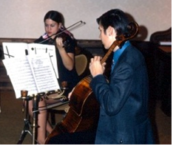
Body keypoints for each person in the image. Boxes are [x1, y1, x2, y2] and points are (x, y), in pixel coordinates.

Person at [88, 9, 155, 144]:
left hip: (124, 134)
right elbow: (120, 88)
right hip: (128, 125)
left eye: (100, 30)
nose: (99, 36)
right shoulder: (126, 53)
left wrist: (97, 77)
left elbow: (112, 104)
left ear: (111, 31)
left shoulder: (127, 63)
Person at [31, 10, 80, 145]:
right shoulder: (42, 41)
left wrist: (61, 49)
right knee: (28, 101)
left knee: (37, 101)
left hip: (65, 86)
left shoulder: (67, 40)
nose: (49, 29)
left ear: (60, 25)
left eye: (52, 25)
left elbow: (70, 66)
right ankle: (51, 133)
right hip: (48, 84)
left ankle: (42, 139)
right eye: (46, 25)